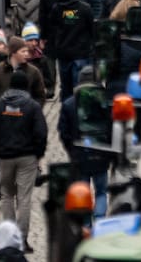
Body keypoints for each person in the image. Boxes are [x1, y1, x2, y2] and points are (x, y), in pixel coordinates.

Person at [0, 71, 46, 250]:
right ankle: (22, 239)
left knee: (7, 195)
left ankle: (9, 238)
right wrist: (37, 154)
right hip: (27, 158)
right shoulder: (32, 106)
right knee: (24, 198)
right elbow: (41, 133)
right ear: (26, 86)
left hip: (4, 158)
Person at [59, 66, 111, 217]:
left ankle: (86, 224)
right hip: (101, 154)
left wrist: (71, 150)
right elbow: (112, 128)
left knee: (82, 193)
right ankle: (100, 219)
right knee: (101, 192)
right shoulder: (105, 102)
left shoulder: (69, 104)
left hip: (79, 156)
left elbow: (64, 132)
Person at [49, 0, 95, 100]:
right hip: (81, 53)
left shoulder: (56, 8)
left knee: (65, 87)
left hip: (63, 54)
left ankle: (66, 111)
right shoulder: (85, 8)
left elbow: (52, 29)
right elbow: (92, 30)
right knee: (80, 86)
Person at [0, 37, 48, 108]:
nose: (27, 54)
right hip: (1, 115)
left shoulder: (33, 71)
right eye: (23, 51)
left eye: (27, 51)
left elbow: (40, 96)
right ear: (13, 53)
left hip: (25, 115)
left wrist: (32, 112)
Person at [22, 22, 55, 90]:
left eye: (36, 40)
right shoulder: (19, 59)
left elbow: (50, 82)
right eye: (30, 40)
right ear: (24, 41)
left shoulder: (42, 59)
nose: (34, 43)